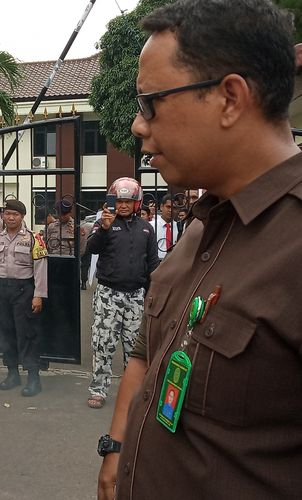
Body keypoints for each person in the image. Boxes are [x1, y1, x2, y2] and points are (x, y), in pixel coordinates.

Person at [97, 1, 302, 499]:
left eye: (150, 102)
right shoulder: (204, 225)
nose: (137, 125)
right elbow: (147, 353)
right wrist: (116, 448)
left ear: (230, 98)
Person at [85, 177, 158, 410]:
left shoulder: (146, 229)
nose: (124, 205)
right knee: (103, 343)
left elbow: (153, 264)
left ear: (137, 203)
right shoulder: (103, 223)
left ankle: (135, 391)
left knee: (135, 346)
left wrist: (152, 293)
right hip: (108, 294)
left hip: (136, 295)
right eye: (119, 201)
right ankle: (98, 389)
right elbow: (92, 248)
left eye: (128, 201)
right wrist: (105, 229)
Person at [0, 200, 48, 397]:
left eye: (15, 214)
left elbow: (40, 269)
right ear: (3, 216)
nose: (11, 218)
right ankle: (12, 373)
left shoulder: (34, 239)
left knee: (26, 334)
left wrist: (38, 295)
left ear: (22, 217)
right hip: (1, 291)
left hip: (24, 291)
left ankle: (33, 377)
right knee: (5, 333)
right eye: (8, 214)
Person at [150, 194, 179, 260]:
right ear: (161, 207)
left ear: (178, 210)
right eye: (168, 207)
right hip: (156, 263)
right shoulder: (151, 226)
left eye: (174, 208)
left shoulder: (180, 227)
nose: (171, 210)